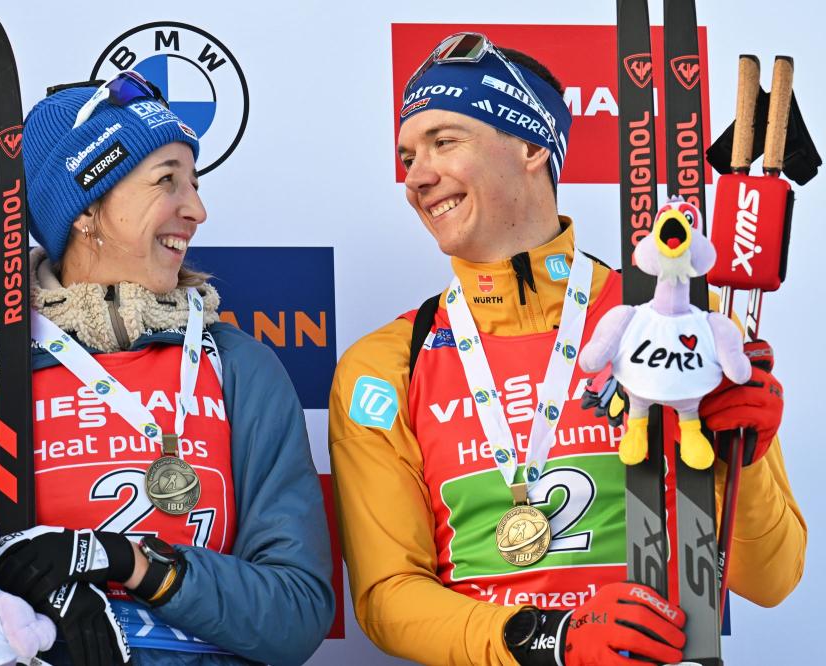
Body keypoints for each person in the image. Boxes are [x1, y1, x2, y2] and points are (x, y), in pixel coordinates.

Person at [0, 71, 334, 665]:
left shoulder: (238, 366)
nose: (197, 209)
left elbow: (296, 614)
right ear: (85, 208)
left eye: (193, 182)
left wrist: (133, 563)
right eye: (167, 181)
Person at [328, 33, 805, 665]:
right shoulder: (388, 364)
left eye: (444, 142)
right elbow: (387, 597)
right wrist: (549, 641)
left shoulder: (677, 322)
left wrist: (741, 459)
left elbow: (772, 580)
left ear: (531, 146)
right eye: (407, 155)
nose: (416, 176)